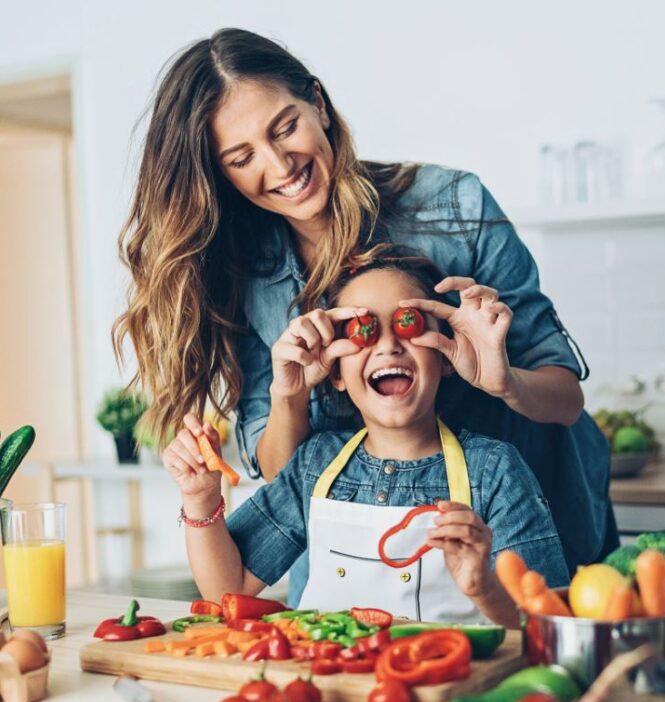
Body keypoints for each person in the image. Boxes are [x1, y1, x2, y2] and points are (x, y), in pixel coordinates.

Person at [112, 28, 615, 597]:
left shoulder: (456, 205)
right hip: (353, 565)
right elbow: (284, 474)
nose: (280, 165)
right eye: (242, 156)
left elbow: (565, 398)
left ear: (319, 105)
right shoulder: (237, 271)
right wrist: (290, 394)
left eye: (285, 127)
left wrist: (505, 382)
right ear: (219, 172)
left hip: (513, 535)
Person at [176, 252, 568, 627]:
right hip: (330, 690)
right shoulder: (315, 463)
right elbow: (227, 588)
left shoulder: (495, 469)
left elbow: (546, 623)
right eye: (362, 332)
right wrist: (200, 500)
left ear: (446, 357)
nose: (387, 344)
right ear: (336, 373)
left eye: (407, 323)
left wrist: (485, 590)